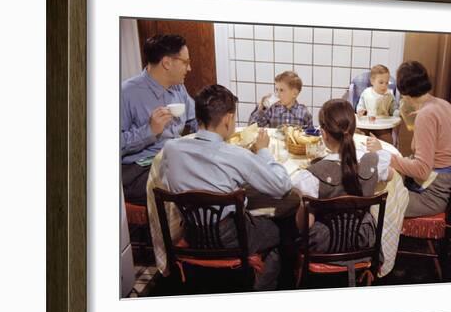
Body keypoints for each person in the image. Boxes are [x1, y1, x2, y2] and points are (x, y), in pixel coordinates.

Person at [160, 84, 292, 291]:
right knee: (279, 230)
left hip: (192, 232)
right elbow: (282, 187)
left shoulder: (171, 149)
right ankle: (261, 290)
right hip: (230, 236)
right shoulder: (236, 155)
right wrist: (264, 151)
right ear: (228, 118)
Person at [291, 99, 394, 286]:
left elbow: (304, 225)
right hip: (364, 239)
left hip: (325, 244)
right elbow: (391, 175)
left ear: (323, 133)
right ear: (353, 130)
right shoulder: (373, 162)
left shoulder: (311, 176)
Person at [367, 61, 451, 217]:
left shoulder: (426, 115)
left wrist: (384, 154)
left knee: (372, 203)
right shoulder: (444, 105)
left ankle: (374, 241)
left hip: (430, 195)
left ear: (404, 93)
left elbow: (421, 170)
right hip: (442, 184)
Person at [121, 34, 198, 205]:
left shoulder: (179, 87)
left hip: (172, 160)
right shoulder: (126, 93)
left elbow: (196, 120)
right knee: (191, 185)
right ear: (167, 63)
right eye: (185, 62)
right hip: (139, 170)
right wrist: (149, 131)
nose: (189, 68)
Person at [248, 70, 313, 128]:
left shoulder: (304, 113)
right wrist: (260, 109)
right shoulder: (272, 109)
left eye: (281, 90)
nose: (278, 94)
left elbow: (311, 136)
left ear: (295, 94)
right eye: (276, 90)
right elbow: (252, 127)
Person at [356, 64, 399, 144]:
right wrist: (360, 111)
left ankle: (384, 154)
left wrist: (396, 113)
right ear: (372, 81)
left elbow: (394, 108)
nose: (384, 85)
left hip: (382, 126)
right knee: (357, 134)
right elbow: (360, 105)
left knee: (388, 140)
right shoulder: (366, 93)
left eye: (386, 83)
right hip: (367, 124)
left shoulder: (389, 95)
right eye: (381, 82)